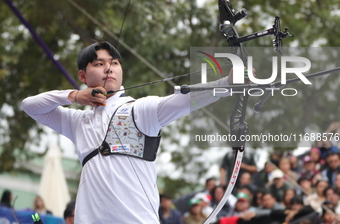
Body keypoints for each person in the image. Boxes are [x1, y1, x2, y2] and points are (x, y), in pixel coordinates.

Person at [22, 41, 235, 223]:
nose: (109, 68)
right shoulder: (78, 122)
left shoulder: (139, 109)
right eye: (99, 63)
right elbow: (30, 105)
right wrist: (75, 96)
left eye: (114, 63)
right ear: (82, 75)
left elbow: (185, 100)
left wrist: (227, 84)